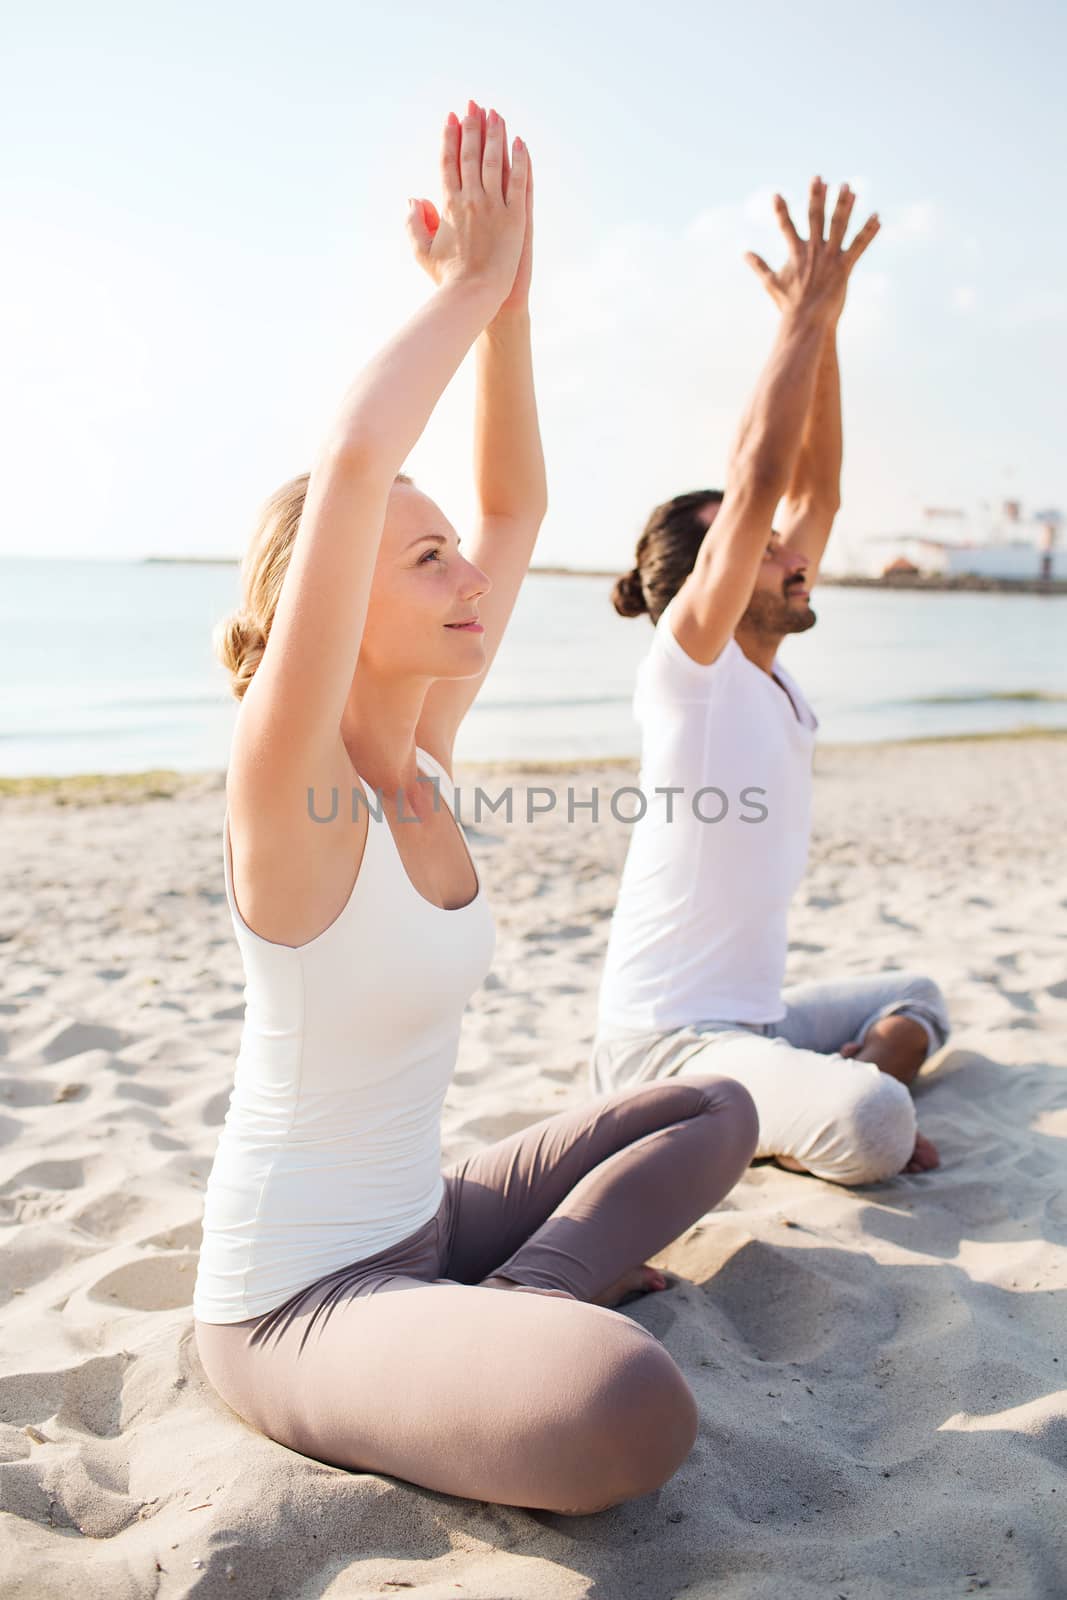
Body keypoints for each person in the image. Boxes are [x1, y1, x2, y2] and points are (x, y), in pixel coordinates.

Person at [192, 100, 759, 1516]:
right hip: (293, 1304)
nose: (470, 580)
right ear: (328, 606)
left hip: (425, 1221)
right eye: (424, 560)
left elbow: (515, 504)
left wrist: (507, 306)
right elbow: (355, 459)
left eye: (454, 556)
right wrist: (452, 289)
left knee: (712, 1105)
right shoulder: (288, 785)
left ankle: (524, 1288)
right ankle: (532, 1313)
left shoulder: (425, 751)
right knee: (625, 1404)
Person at [591, 178, 950, 1188]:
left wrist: (824, 324)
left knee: (917, 992)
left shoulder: (767, 674)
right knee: (876, 1122)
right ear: (701, 583)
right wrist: (795, 318)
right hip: (663, 1047)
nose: (792, 550)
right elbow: (755, 481)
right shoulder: (687, 672)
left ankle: (804, 1086)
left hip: (751, 1022)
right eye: (759, 548)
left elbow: (813, 487)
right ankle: (812, 1100)